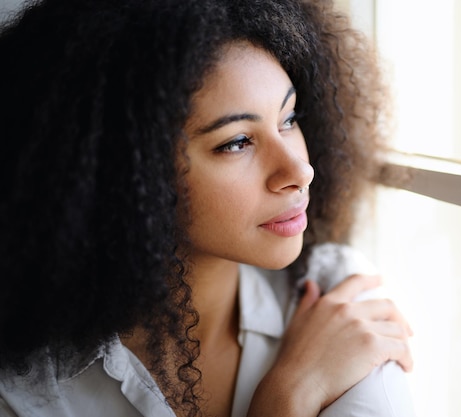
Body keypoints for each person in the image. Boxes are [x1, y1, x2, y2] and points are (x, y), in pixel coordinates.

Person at [0, 0, 416, 416]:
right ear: (124, 173)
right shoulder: (22, 389)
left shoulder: (342, 300)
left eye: (289, 119)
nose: (300, 170)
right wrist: (288, 395)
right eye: (236, 142)